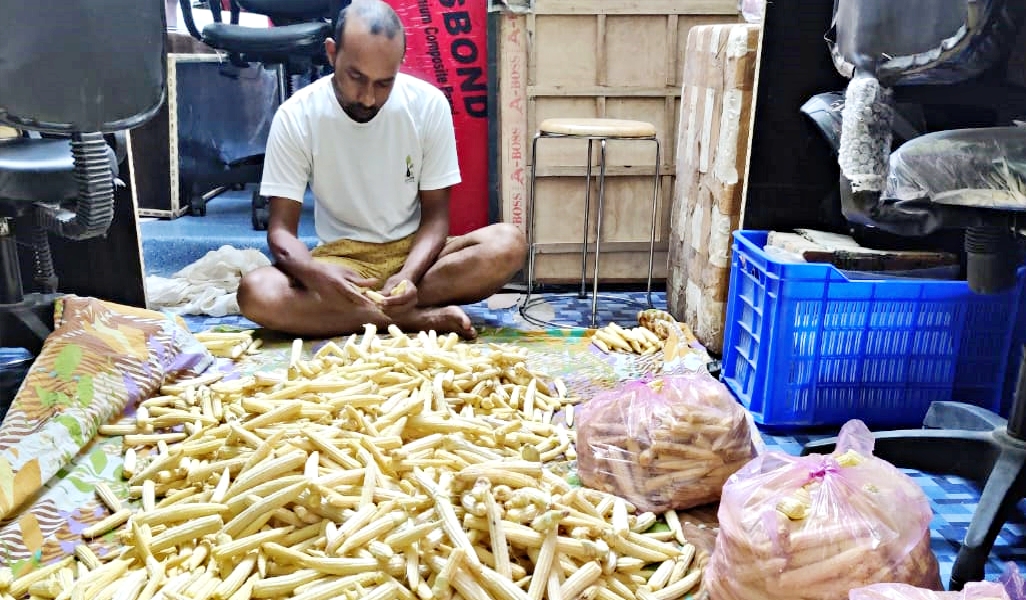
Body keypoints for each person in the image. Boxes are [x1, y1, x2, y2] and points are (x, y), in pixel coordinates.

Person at [237, 0, 527, 340]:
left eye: (383, 83)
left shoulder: (428, 105)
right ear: (332, 54)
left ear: (399, 65)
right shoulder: (296, 115)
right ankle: (411, 319)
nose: (368, 98)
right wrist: (316, 273)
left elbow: (436, 220)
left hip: (416, 257)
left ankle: (368, 313)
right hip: (342, 259)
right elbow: (282, 232)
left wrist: (408, 276)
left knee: (508, 244)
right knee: (256, 293)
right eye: (356, 77)